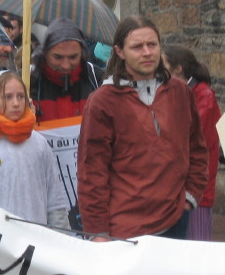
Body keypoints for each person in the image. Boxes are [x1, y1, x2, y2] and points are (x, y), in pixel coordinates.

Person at [78, 15, 209, 242]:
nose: (147, 52)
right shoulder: (103, 101)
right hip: (124, 229)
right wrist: (97, 232)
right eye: (137, 47)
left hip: (175, 220)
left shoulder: (179, 92)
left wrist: (190, 197)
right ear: (120, 51)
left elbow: (197, 147)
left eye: (152, 44)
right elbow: (92, 172)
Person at [0, 70, 69, 229]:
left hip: (37, 244)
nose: (15, 103)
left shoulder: (39, 144)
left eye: (20, 96)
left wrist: (62, 239)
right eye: (7, 97)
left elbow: (54, 201)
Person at [162, 45, 221, 241]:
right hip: (176, 185)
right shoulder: (173, 92)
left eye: (164, 64)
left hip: (197, 185)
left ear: (177, 69)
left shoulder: (204, 95)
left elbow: (192, 136)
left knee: (197, 245)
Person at [30, 17, 102, 124]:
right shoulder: (28, 82)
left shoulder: (97, 79)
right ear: (44, 53)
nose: (66, 66)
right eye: (58, 57)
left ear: (82, 53)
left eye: (73, 57)